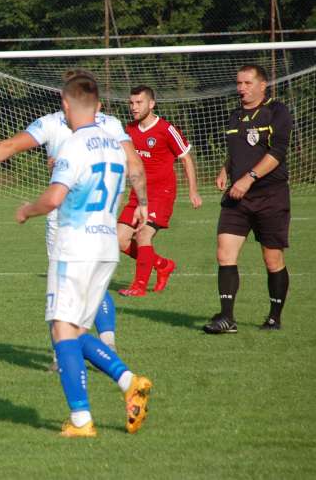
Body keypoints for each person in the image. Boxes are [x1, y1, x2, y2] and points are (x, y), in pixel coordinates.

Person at [0, 70, 149, 362]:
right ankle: (108, 344)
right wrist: (142, 202)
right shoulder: (112, 126)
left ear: (67, 99)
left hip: (67, 224)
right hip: (103, 226)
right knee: (93, 283)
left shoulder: (53, 124)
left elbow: (11, 146)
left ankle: (64, 357)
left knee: (64, 296)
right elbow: (135, 165)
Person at [14, 72, 152, 438]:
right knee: (74, 331)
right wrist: (143, 203)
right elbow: (133, 173)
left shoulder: (72, 146)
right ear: (99, 107)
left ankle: (81, 421)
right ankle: (128, 381)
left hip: (74, 246)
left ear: (65, 104)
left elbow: (55, 198)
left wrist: (29, 209)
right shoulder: (114, 145)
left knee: (61, 330)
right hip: (106, 247)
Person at [204, 64, 293, 334]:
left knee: (272, 259)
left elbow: (276, 153)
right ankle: (226, 317)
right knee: (224, 252)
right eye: (239, 83)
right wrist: (226, 169)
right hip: (237, 198)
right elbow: (237, 150)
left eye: (247, 83)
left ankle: (274, 317)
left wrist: (249, 177)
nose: (241, 89)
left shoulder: (277, 111)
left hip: (270, 196)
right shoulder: (234, 116)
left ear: (262, 85)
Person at [117, 86, 202, 297]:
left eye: (139, 103)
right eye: (132, 103)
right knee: (118, 240)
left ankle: (139, 286)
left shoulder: (166, 129)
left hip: (161, 193)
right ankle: (162, 264)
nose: (134, 107)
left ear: (151, 104)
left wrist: (193, 190)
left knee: (143, 233)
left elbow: (186, 158)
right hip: (138, 194)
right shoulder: (129, 130)